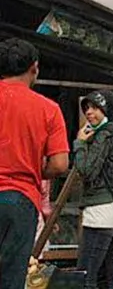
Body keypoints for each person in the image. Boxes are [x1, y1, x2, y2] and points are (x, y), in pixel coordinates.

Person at [0, 39, 70, 289]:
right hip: (21, 200)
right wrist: (34, 166)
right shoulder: (48, 109)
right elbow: (60, 165)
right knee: (10, 277)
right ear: (35, 68)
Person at [74, 90, 113, 289]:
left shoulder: (105, 135)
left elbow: (87, 170)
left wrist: (80, 144)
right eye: (87, 108)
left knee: (86, 275)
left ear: (107, 110)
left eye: (96, 108)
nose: (90, 112)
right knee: (106, 275)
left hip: (99, 210)